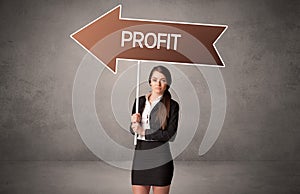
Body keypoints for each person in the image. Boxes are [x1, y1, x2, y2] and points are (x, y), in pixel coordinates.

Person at [130, 65, 180, 194]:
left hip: (161, 159)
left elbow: (170, 135)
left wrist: (144, 132)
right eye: (154, 79)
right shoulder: (139, 101)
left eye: (162, 80)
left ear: (167, 84)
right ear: (149, 82)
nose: (158, 83)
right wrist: (133, 124)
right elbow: (134, 130)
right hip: (140, 157)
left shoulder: (172, 106)